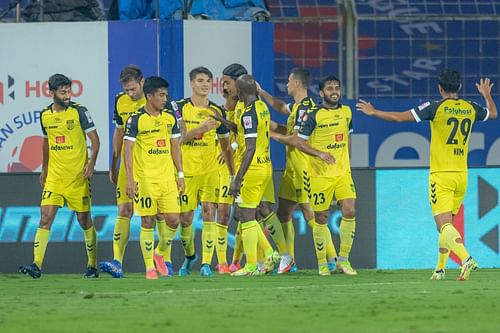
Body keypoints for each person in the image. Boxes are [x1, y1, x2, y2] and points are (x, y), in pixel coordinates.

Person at [356, 70, 497, 281]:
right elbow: (493, 114)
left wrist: (374, 112)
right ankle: (439, 270)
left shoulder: (434, 107)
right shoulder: (470, 108)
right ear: (459, 87)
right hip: (462, 175)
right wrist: (486, 95)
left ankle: (466, 258)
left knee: (443, 225)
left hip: (441, 175)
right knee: (446, 224)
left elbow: (398, 118)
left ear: (440, 88)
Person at [99, 65, 182, 278]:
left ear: (143, 83)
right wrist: (114, 164)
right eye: (127, 90)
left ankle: (165, 258)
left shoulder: (168, 109)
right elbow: (120, 135)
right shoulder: (122, 104)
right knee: (126, 210)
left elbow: (177, 141)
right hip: (135, 168)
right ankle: (119, 261)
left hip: (162, 170)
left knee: (167, 216)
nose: (130, 93)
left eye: (133, 89)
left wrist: (180, 173)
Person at [272, 75, 358, 276]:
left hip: (343, 173)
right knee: (320, 217)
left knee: (350, 210)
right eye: (329, 88)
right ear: (321, 93)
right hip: (319, 174)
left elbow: (348, 136)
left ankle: (343, 260)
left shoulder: (347, 112)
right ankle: (322, 263)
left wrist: (347, 161)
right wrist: (319, 154)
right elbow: (298, 142)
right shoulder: (314, 115)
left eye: (337, 87)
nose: (334, 91)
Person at [19, 73, 100, 279]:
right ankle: (36, 265)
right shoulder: (45, 115)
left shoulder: (79, 111)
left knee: (84, 220)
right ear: (52, 92)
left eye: (68, 91)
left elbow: (95, 139)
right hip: (55, 177)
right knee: (45, 217)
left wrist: (91, 163)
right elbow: (46, 142)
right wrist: (44, 169)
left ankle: (92, 265)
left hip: (77, 177)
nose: (67, 95)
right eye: (62, 92)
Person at [259, 68, 339, 273]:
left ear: (296, 84)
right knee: (284, 213)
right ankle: (289, 261)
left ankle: (333, 258)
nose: (286, 84)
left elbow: (295, 139)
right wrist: (261, 92)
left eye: (288, 81)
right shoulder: (297, 107)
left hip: (304, 167)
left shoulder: (307, 107)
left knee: (309, 214)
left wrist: (271, 134)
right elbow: (280, 108)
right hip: (291, 169)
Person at [172, 67, 234, 277]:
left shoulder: (217, 111)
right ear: (192, 83)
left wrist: (233, 174)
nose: (205, 84)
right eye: (200, 80)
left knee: (209, 213)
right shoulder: (178, 109)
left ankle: (207, 263)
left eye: (208, 80)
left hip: (210, 171)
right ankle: (190, 257)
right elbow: (178, 141)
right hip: (187, 172)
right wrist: (201, 129)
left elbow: (226, 146)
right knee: (185, 218)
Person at [123, 76, 184, 279]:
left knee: (175, 219)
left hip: (167, 178)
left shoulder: (170, 117)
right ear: (149, 96)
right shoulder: (136, 119)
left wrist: (180, 174)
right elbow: (128, 150)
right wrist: (130, 179)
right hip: (146, 179)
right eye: (161, 95)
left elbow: (176, 147)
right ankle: (149, 267)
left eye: (166, 94)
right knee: (147, 220)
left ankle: (159, 254)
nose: (165, 98)